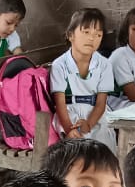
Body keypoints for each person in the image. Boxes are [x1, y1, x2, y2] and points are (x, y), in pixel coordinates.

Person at [50, 8, 116, 149]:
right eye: (86, 32)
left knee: (103, 142)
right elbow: (60, 103)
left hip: (96, 112)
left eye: (98, 34)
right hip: (68, 112)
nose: (92, 38)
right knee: (74, 146)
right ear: (70, 35)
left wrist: (89, 124)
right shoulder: (59, 65)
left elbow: (101, 103)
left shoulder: (105, 64)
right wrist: (69, 129)